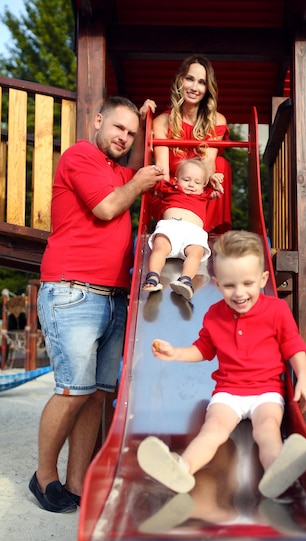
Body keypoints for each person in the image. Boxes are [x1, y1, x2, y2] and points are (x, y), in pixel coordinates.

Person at [29, 96, 165, 513]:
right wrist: (138, 183)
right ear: (98, 120)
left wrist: (150, 119)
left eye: (130, 133)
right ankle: (44, 477)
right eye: (118, 128)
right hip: (73, 289)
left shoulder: (118, 171)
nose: (124, 137)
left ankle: (76, 482)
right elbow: (107, 207)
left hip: (114, 296)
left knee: (98, 394)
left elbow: (146, 168)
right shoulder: (81, 155)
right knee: (72, 390)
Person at [138, 230, 306, 499]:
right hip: (228, 392)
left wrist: (303, 379)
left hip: (266, 391)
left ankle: (276, 473)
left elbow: (294, 347)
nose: (239, 293)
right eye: (230, 286)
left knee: (266, 429)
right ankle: (181, 469)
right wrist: (176, 353)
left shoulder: (276, 310)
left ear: (263, 280)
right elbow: (203, 350)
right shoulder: (214, 314)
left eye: (248, 283)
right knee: (213, 430)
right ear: (218, 285)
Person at [152, 55, 232, 234]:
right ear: (180, 80)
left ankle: (209, 233)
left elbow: (208, 162)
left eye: (202, 82)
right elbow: (162, 170)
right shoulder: (162, 122)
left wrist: (208, 184)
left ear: (207, 88)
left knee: (221, 165)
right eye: (190, 79)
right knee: (157, 178)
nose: (195, 87)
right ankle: (173, 228)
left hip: (201, 190)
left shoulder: (217, 120)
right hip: (172, 191)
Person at [142, 158, 223, 300]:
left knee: (196, 253)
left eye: (197, 182)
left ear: (203, 186)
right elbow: (153, 185)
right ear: (176, 180)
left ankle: (185, 280)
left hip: (193, 232)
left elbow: (218, 191)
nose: (192, 184)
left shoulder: (204, 194)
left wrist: (215, 181)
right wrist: (156, 171)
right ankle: (153, 277)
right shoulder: (170, 189)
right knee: (160, 247)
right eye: (186, 179)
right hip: (170, 227)